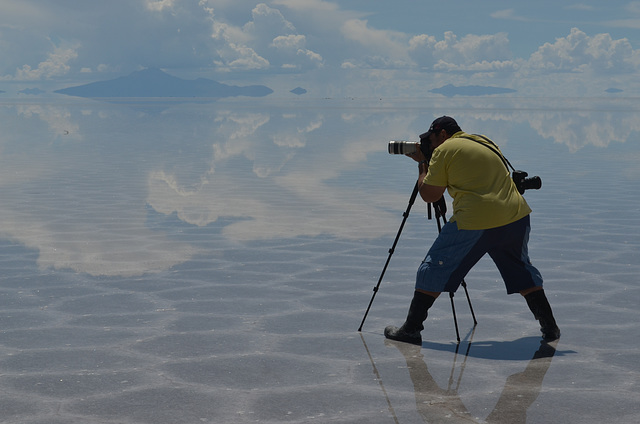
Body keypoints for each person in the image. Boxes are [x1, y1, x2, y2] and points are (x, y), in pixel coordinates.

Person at [384, 116, 560, 346]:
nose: (430, 144)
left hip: (476, 220)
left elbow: (429, 194)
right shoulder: (483, 140)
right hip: (515, 216)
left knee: (433, 267)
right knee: (521, 270)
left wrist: (422, 165)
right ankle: (550, 327)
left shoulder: (443, 150)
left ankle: (411, 330)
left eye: (431, 139)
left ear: (443, 134)